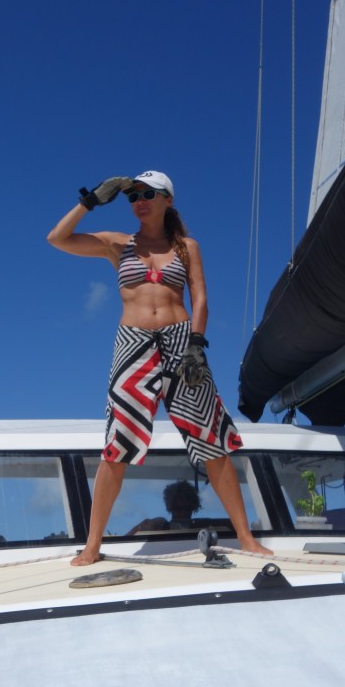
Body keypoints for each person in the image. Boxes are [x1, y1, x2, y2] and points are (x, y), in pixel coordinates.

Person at [47, 170, 272, 564]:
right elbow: (58, 238)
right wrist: (90, 201)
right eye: (133, 195)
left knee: (211, 440)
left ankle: (245, 537)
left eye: (148, 194)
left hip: (183, 342)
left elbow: (200, 298)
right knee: (117, 443)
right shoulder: (118, 243)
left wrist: (196, 345)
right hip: (132, 345)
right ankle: (93, 544)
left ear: (168, 199)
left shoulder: (187, 247)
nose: (139, 201)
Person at [126, 480, 202, 534]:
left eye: (187, 509)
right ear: (169, 508)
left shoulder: (202, 531)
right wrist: (142, 527)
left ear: (193, 508)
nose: (183, 513)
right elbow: (124, 542)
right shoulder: (159, 528)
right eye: (177, 509)